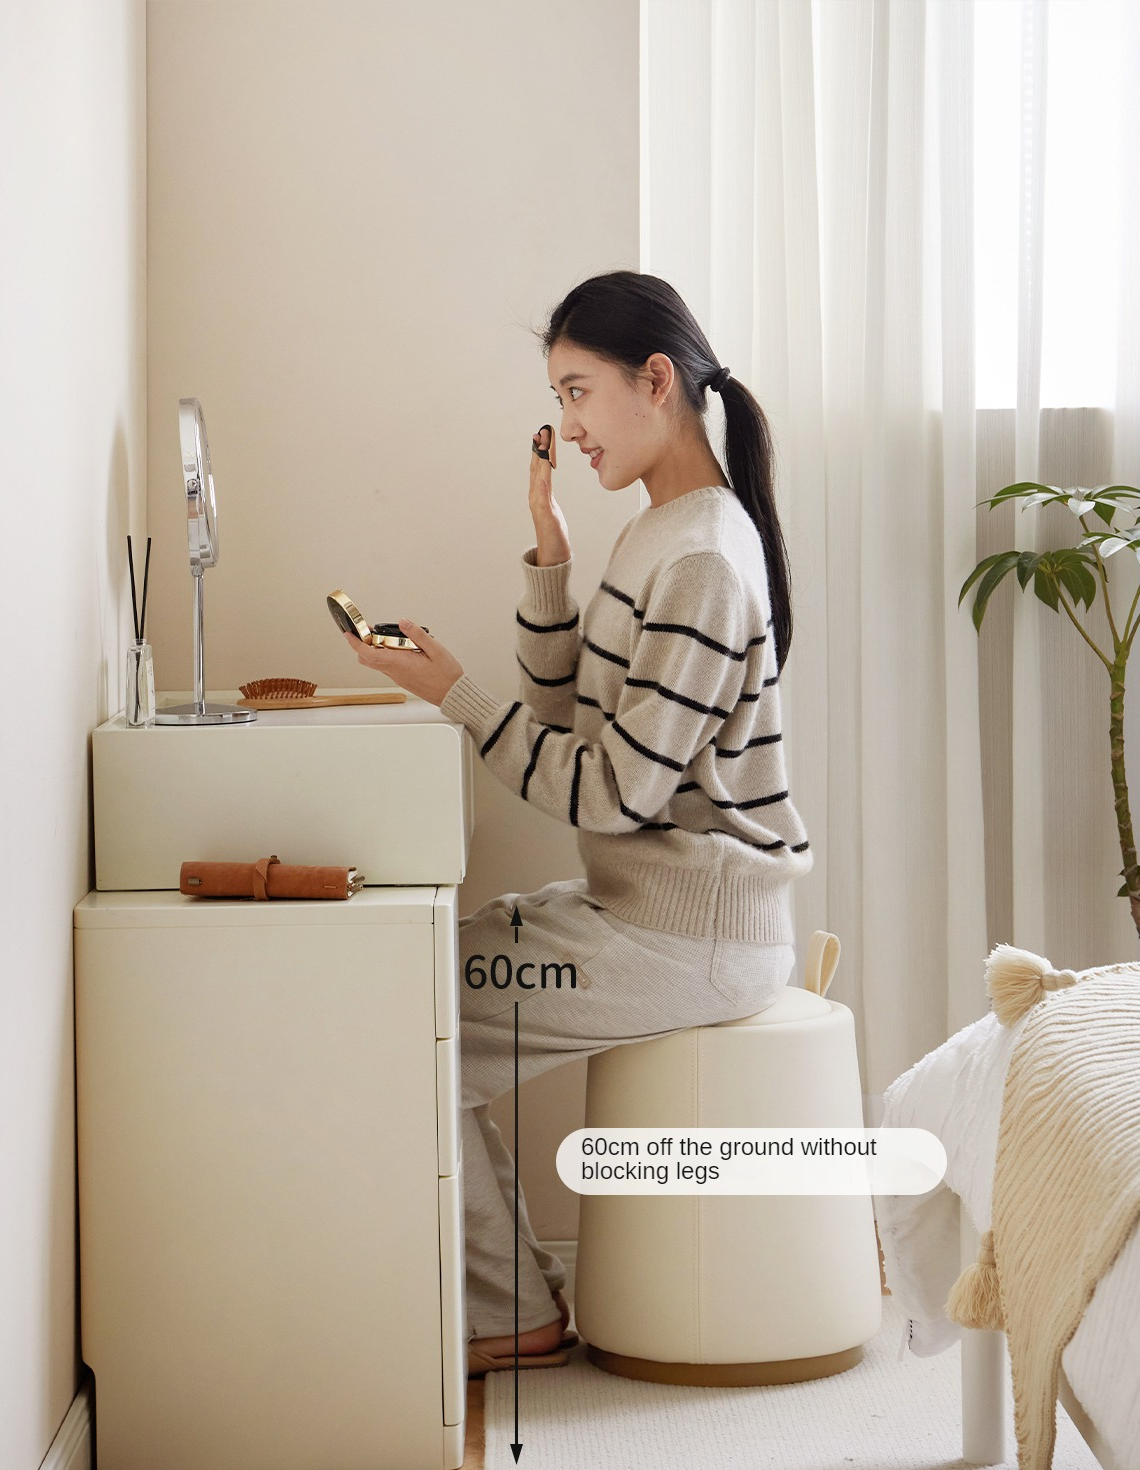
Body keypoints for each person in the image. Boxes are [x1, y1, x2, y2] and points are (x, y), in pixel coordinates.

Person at [343, 269, 813, 1373]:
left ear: (656, 382)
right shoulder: (660, 532)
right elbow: (571, 721)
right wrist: (548, 553)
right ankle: (510, 1294)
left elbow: (612, 793)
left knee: (406, 1014)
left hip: (691, 939)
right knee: (409, 982)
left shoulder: (701, 555)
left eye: (577, 392)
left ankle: (507, 1308)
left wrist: (454, 693)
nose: (568, 427)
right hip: (637, 907)